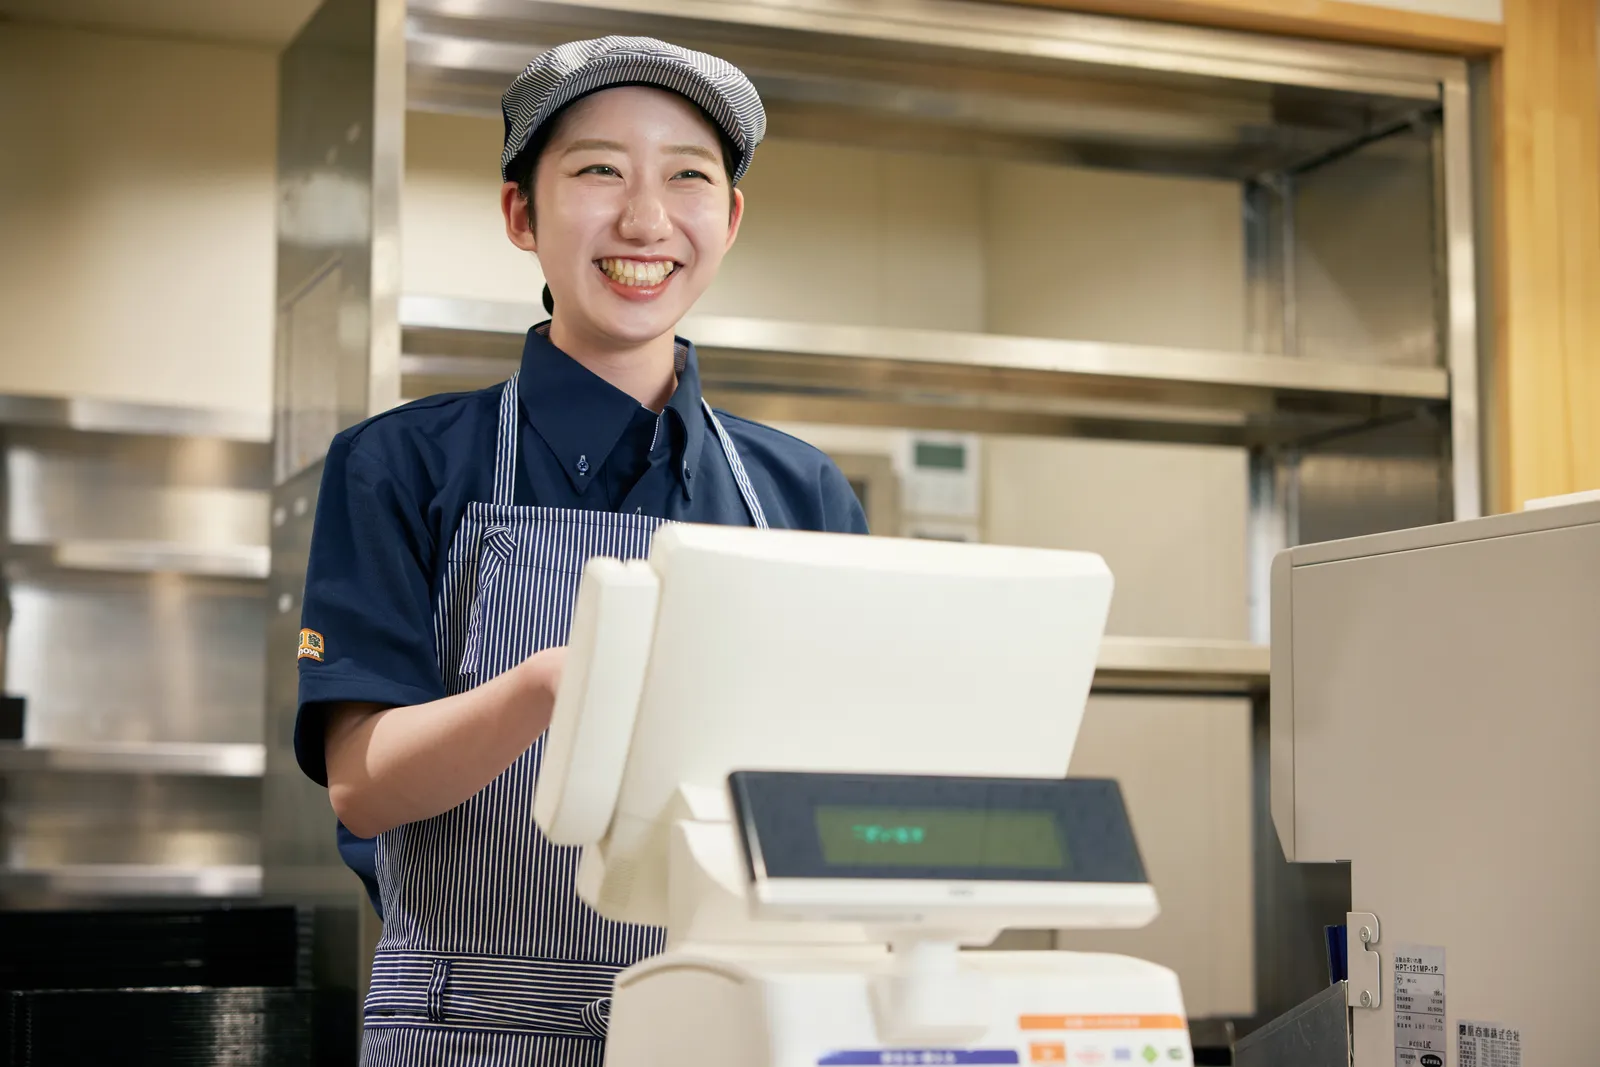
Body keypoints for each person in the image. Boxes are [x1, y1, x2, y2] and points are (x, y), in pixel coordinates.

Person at [291, 36, 868, 1065]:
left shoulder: (799, 491)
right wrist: (556, 683)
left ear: (730, 219)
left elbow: (847, 789)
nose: (645, 220)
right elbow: (362, 784)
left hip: (733, 1021)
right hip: (470, 1028)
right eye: (600, 170)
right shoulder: (402, 463)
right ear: (521, 214)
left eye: (687, 176)